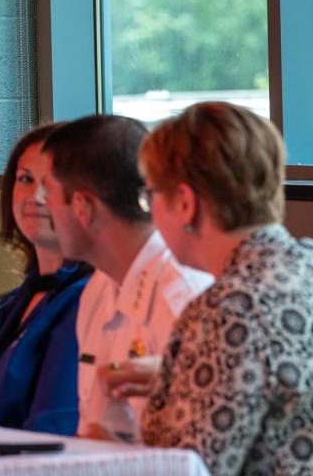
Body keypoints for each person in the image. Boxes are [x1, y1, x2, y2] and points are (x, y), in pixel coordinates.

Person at [124, 102, 313, 475]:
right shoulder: (306, 264)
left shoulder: (228, 309)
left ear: (185, 202)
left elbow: (188, 468)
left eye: (151, 196)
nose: (151, 211)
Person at [40, 114, 212, 442]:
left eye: (47, 191)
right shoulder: (97, 289)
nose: (42, 205)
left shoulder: (185, 300)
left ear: (83, 207)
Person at [0, 123, 92, 434]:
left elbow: (54, 428)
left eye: (52, 183)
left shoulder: (89, 300)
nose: (35, 197)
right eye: (25, 179)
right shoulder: (14, 302)